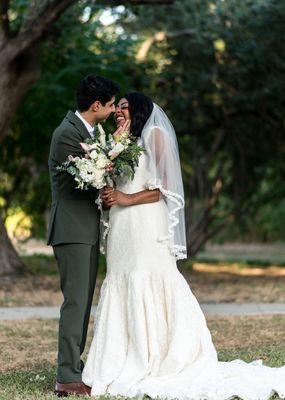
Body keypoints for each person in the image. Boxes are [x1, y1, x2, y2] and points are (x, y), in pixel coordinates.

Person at [82, 92, 285, 399]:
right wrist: (110, 193)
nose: (118, 113)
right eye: (117, 108)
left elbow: (165, 189)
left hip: (147, 224)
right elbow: (116, 183)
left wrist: (127, 198)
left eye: (124, 107)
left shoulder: (157, 135)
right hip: (122, 228)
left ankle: (162, 358)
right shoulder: (117, 143)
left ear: (139, 110)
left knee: (149, 278)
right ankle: (119, 357)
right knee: (121, 281)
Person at [47, 74, 119, 397]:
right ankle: (66, 377)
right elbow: (91, 173)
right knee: (75, 303)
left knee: (83, 302)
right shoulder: (66, 135)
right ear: (96, 105)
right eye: (111, 104)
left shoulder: (94, 131)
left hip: (87, 231)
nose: (114, 109)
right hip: (72, 230)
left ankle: (74, 365)